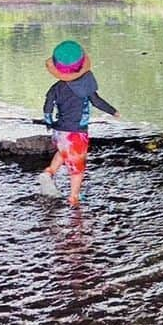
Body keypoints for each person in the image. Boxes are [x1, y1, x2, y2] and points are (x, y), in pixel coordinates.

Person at [39, 40, 120, 206]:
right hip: (76, 133)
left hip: (60, 131)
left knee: (63, 151)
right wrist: (113, 111)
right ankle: (74, 196)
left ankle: (49, 172)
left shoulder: (56, 88)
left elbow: (48, 106)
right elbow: (96, 101)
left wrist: (48, 120)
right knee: (78, 167)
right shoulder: (85, 86)